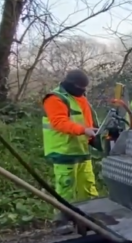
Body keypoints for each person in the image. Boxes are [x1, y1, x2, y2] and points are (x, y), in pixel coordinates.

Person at [42, 69, 99, 232]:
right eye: (81, 87)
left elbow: (87, 120)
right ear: (71, 84)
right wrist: (84, 130)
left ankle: (89, 218)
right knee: (65, 187)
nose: (83, 91)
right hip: (63, 151)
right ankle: (62, 221)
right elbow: (59, 122)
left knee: (88, 185)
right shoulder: (54, 98)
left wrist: (94, 136)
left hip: (81, 148)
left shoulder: (81, 98)